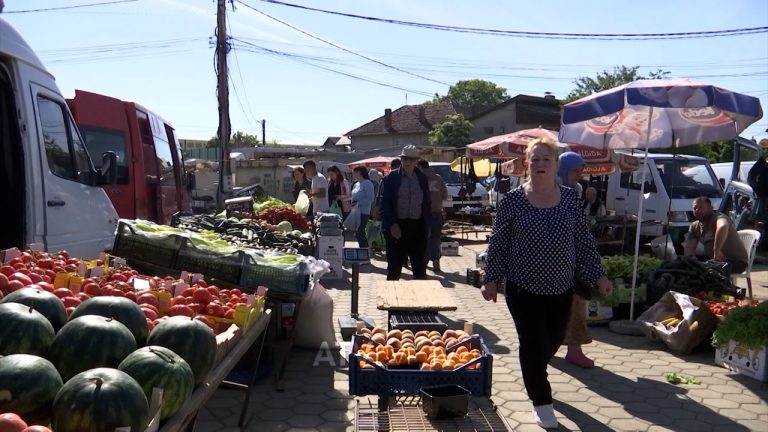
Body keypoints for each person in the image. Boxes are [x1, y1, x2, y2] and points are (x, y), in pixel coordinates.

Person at [481, 138, 612, 429]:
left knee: (551, 342)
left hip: (561, 287)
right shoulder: (514, 201)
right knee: (533, 342)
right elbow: (499, 243)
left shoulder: (569, 199)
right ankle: (542, 402)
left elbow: (582, 240)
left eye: (546, 159)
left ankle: (535, 371)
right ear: (527, 164)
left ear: (556, 165)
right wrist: (490, 278)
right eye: (535, 159)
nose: (540, 164)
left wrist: (598, 275)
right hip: (522, 286)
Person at [557, 152, 595, 369]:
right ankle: (546, 348)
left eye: (581, 171)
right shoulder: (552, 191)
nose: (578, 175)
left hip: (573, 260)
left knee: (577, 305)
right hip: (550, 261)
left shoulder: (577, 191)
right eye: (574, 170)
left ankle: (574, 349)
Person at [380, 145, 431, 280]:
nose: (407, 162)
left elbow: (426, 203)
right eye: (404, 159)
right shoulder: (391, 178)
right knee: (394, 270)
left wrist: (428, 226)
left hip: (417, 227)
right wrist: (391, 224)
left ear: (416, 161)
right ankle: (390, 300)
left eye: (411, 159)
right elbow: (384, 204)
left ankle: (421, 300)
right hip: (397, 227)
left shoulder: (422, 179)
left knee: (420, 270)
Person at [684, 196, 748, 274]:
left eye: (701, 207)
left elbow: (723, 226)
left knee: (705, 270)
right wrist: (691, 259)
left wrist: (716, 250)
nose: (697, 210)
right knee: (686, 264)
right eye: (695, 208)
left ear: (711, 208)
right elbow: (689, 249)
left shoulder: (719, 218)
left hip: (735, 261)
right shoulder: (694, 226)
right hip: (713, 260)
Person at [417, 159, 449, 272]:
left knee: (423, 238)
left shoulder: (418, 178)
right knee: (435, 238)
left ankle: (423, 261)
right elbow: (445, 195)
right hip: (436, 212)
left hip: (421, 214)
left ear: (420, 167)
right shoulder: (438, 178)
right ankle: (435, 259)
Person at [351, 166, 375, 248]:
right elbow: (352, 196)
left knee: (359, 232)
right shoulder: (357, 184)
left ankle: (364, 251)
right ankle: (364, 250)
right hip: (355, 211)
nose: (353, 175)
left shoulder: (368, 184)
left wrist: (358, 203)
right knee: (358, 232)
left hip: (363, 212)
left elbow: (370, 198)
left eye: (354, 173)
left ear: (359, 173)